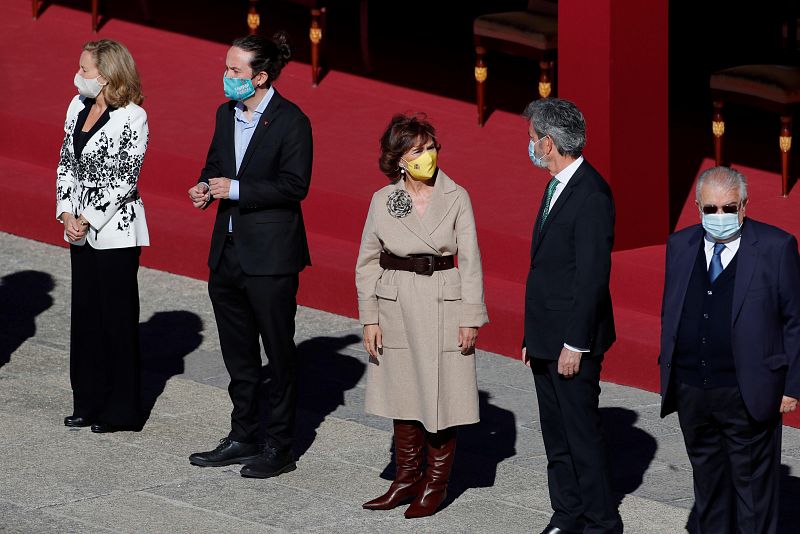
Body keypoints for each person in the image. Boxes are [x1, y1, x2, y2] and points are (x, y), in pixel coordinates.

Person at [187, 33, 313, 479]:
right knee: (238, 354)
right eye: (227, 68)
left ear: (259, 77)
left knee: (277, 353)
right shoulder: (226, 116)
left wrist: (236, 190)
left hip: (271, 257)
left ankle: (279, 444)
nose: (227, 77)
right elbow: (215, 164)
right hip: (227, 252)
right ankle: (242, 434)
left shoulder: (291, 121)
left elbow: (295, 185)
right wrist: (205, 186)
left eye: (235, 71)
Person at [355, 113, 488, 518]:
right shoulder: (384, 199)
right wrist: (370, 318)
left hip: (443, 298)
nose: (427, 156)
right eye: (417, 150)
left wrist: (470, 316)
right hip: (396, 300)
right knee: (403, 391)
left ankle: (436, 482)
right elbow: (367, 261)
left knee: (443, 394)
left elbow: (473, 261)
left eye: (431, 148)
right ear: (398, 158)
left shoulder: (457, 196)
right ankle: (406, 477)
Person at [659, 166, 800, 533]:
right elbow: (673, 309)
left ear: (744, 207)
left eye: (728, 208)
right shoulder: (680, 245)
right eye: (711, 209)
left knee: (753, 495)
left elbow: (794, 321)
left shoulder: (775, 247)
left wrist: (791, 386)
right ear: (697, 208)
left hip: (747, 390)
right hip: (692, 389)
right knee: (708, 488)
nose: (719, 217)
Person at [520, 98, 621, 534]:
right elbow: (547, 268)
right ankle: (567, 513)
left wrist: (574, 343)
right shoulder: (557, 184)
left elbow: (592, 278)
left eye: (531, 139)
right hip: (545, 336)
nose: (529, 147)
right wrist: (532, 336)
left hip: (571, 343)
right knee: (555, 435)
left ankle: (601, 522)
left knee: (580, 437)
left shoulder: (592, 195)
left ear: (547, 143)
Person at [56, 39, 149, 433]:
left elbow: (124, 177)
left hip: (115, 231)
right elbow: (65, 159)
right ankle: (88, 401)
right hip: (77, 227)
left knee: (117, 320)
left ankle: (122, 410)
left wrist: (88, 218)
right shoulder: (77, 106)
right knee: (86, 318)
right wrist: (64, 212)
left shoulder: (133, 117)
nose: (79, 76)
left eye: (86, 71)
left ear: (109, 75)